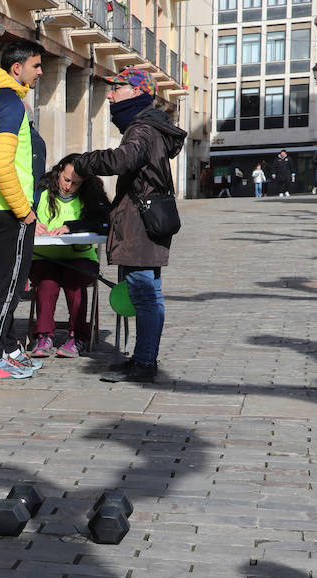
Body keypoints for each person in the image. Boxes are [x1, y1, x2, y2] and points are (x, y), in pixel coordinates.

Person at [75, 67, 186, 385]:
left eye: (116, 88)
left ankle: (145, 362)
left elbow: (122, 160)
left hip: (140, 226)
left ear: (136, 92)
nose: (109, 94)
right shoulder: (150, 128)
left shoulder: (141, 130)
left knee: (146, 295)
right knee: (147, 294)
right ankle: (141, 358)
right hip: (146, 223)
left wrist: (86, 161)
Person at [0, 38, 48, 380]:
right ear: (17, 68)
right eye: (36, 65)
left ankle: (10, 346)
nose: (40, 71)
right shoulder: (10, 103)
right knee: (10, 286)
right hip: (7, 209)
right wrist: (24, 210)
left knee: (7, 281)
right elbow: (2, 165)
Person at [27, 155, 110, 359]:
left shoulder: (92, 195)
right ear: (59, 171)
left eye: (75, 184)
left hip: (80, 258)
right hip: (43, 257)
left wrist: (71, 227)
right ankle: (43, 335)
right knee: (47, 281)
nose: (68, 186)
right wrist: (32, 222)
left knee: (74, 281)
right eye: (66, 180)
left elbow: (105, 220)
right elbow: (23, 211)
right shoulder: (41, 190)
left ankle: (77, 336)